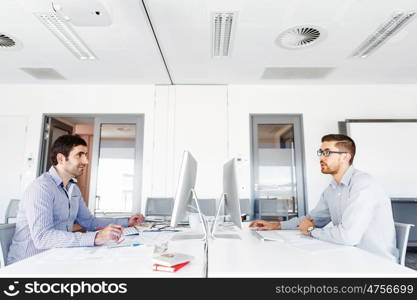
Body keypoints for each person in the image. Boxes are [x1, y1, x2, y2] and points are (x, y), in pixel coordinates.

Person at [250, 134, 399, 262]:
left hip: (374, 262)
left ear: (345, 157)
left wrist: (310, 230)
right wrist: (275, 226)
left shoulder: (363, 184)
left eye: (327, 152)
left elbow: (347, 237)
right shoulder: (332, 189)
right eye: (320, 152)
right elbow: (312, 219)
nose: (321, 157)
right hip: (349, 254)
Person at [7, 134, 145, 264]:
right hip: (29, 264)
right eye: (79, 155)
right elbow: (43, 238)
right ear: (61, 158)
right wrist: (96, 237)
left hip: (56, 257)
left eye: (85, 155)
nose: (86, 161)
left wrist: (127, 222)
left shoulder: (73, 189)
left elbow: (89, 222)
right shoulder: (41, 188)